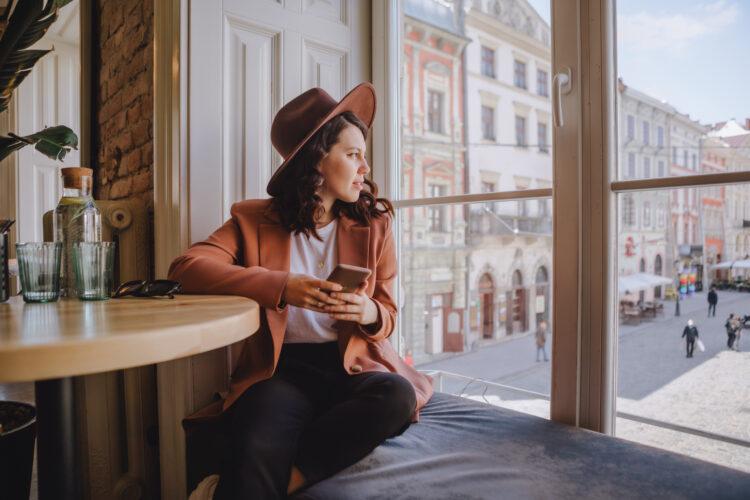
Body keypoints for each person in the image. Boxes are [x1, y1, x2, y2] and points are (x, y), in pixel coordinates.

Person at [169, 83, 434, 498]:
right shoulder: (252, 219)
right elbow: (186, 269)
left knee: (397, 395)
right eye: (352, 155)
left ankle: (290, 481)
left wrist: (367, 312)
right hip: (282, 371)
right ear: (316, 161)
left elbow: (388, 313)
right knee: (255, 436)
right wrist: (282, 286)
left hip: (351, 368)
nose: (365, 167)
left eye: (363, 155)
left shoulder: (375, 226)